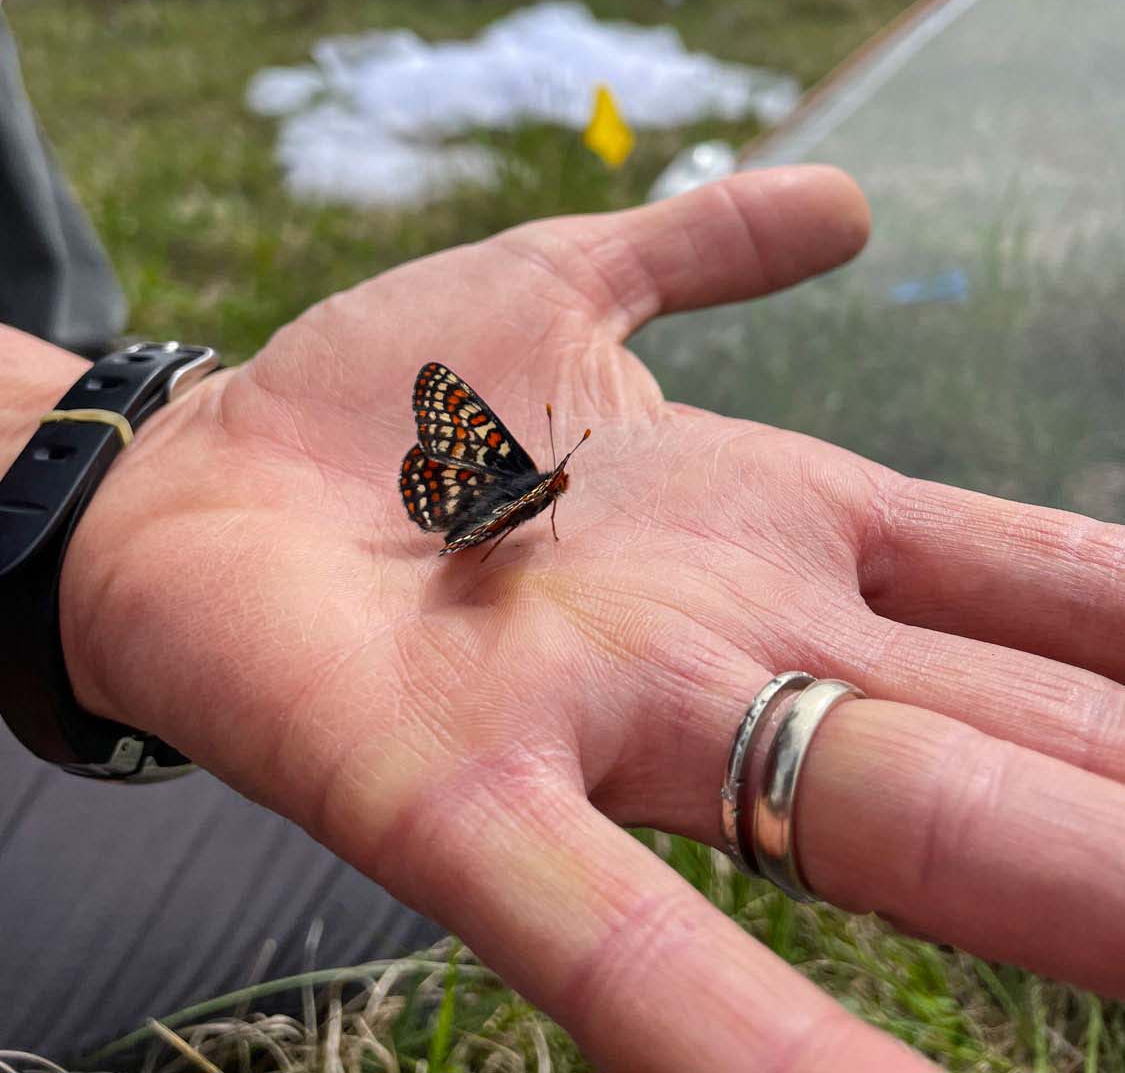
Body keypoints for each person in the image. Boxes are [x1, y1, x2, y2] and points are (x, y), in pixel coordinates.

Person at [1, 155, 1123, 1072]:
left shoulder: (521, 488)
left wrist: (98, 476)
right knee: (385, 895)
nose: (561, 488)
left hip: (339, 525)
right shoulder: (519, 490)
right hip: (436, 533)